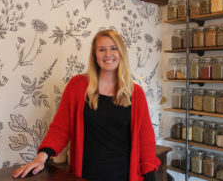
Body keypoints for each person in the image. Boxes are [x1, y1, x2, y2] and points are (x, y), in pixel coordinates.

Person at [12, 30, 160, 181]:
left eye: (113, 48)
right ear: (95, 56)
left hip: (123, 175)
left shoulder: (135, 92)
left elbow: (145, 139)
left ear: (121, 52)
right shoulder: (78, 86)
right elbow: (61, 127)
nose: (108, 54)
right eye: (102, 49)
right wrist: (41, 158)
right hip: (85, 174)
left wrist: (149, 174)